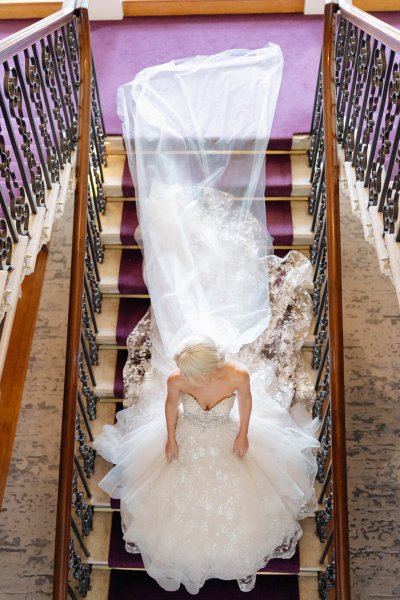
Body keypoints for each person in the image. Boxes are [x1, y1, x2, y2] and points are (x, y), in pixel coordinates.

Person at [94, 43, 321, 594]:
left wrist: (244, 438)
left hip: (225, 441)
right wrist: (169, 444)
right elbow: (171, 414)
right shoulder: (175, 380)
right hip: (193, 444)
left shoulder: (239, 377)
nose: (191, 381)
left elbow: (245, 411)